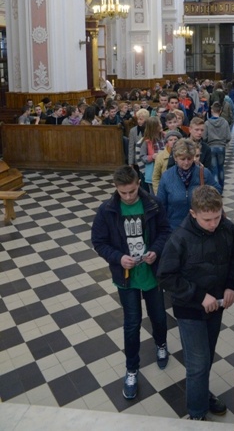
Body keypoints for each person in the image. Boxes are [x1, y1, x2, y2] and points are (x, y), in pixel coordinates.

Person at [157, 185, 234, 421]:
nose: (214, 223)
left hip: (216, 306)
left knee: (206, 357)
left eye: (217, 216)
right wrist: (198, 296)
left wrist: (231, 285)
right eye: (207, 219)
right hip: (190, 309)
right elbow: (166, 276)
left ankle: (202, 394)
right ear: (193, 214)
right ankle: (196, 416)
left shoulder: (227, 229)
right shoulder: (180, 238)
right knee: (197, 364)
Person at [91, 166, 171, 400]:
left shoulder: (153, 204)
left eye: (132, 191)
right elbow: (98, 241)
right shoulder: (107, 210)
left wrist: (155, 251)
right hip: (126, 279)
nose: (128, 197)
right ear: (116, 188)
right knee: (131, 323)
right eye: (123, 192)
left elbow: (165, 231)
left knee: (158, 315)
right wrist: (118, 258)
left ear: (138, 183)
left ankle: (161, 344)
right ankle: (132, 368)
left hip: (151, 274)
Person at [157, 138, 221, 230]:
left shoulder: (204, 173)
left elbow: (217, 192)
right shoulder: (167, 177)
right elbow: (161, 205)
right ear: (175, 158)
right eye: (182, 159)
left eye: (189, 158)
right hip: (175, 228)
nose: (186, 162)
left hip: (199, 227)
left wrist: (206, 194)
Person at [203, 102, 231, 190]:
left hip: (211, 147)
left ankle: (216, 189)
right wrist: (223, 141)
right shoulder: (225, 122)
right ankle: (221, 187)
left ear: (211, 110)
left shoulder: (207, 123)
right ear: (221, 111)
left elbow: (204, 137)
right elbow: (228, 137)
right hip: (221, 147)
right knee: (221, 168)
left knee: (214, 169)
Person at [152, 129, 183, 194]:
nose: (173, 142)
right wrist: (158, 193)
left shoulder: (184, 154)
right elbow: (156, 178)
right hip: (166, 189)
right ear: (167, 143)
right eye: (170, 140)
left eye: (175, 139)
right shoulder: (160, 156)